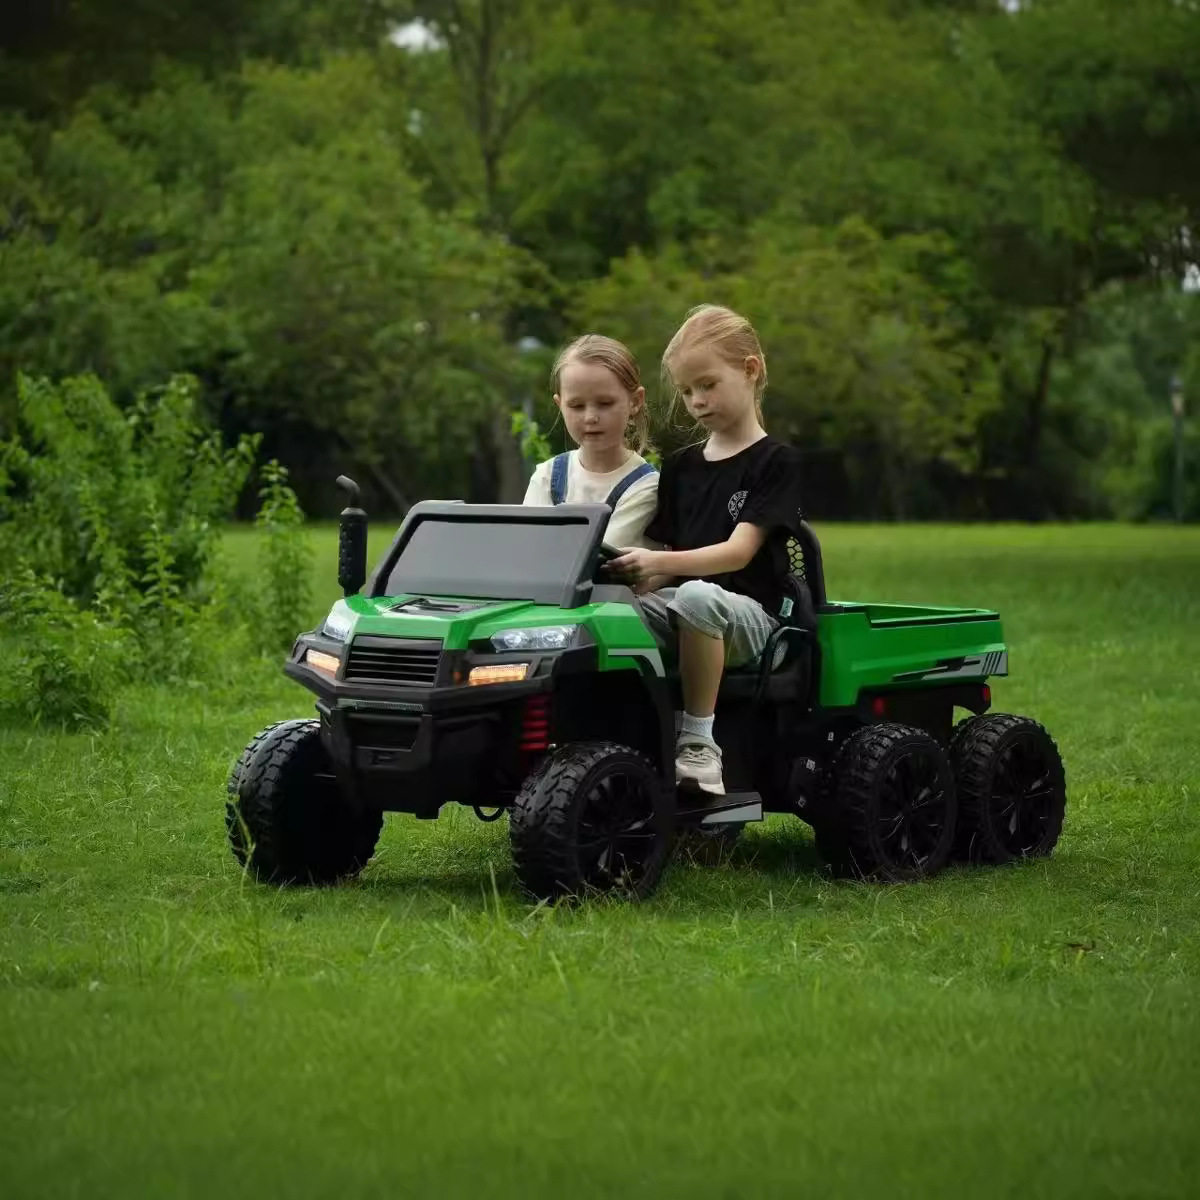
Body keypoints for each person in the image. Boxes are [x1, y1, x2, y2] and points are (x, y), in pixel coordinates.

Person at [610, 305, 804, 797]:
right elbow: (666, 563)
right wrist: (627, 578)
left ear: (751, 369)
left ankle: (698, 744)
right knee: (607, 611)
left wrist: (660, 565)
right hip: (684, 603)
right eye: (685, 390)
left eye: (707, 385)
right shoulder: (679, 467)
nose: (696, 400)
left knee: (697, 596)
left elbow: (738, 554)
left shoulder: (775, 463)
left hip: (752, 620)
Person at [522, 335, 659, 549]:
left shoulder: (645, 487)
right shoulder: (547, 477)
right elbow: (527, 548)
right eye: (576, 406)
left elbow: (596, 559)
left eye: (605, 403)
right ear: (560, 405)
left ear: (635, 401)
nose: (590, 417)